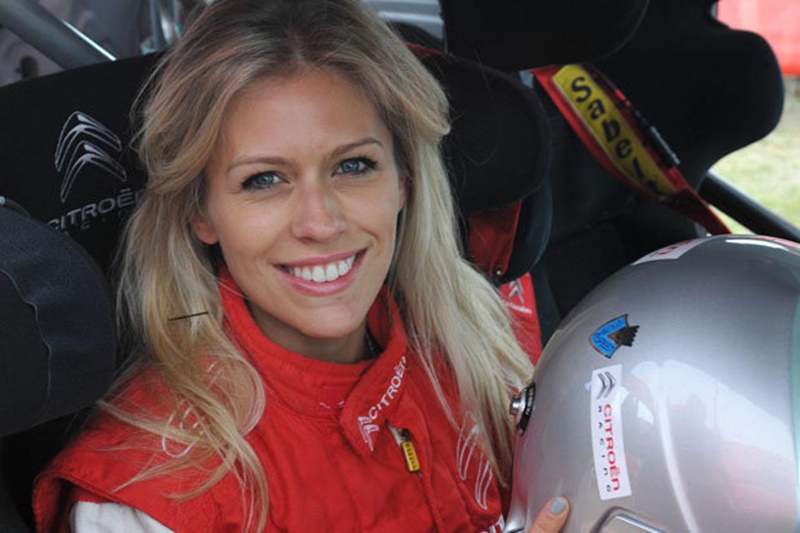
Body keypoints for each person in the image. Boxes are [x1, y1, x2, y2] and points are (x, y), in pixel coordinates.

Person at [33, 0, 569, 531]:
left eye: (353, 165)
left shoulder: (480, 347)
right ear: (200, 211)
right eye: (264, 180)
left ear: (404, 179)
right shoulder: (152, 494)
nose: (321, 222)